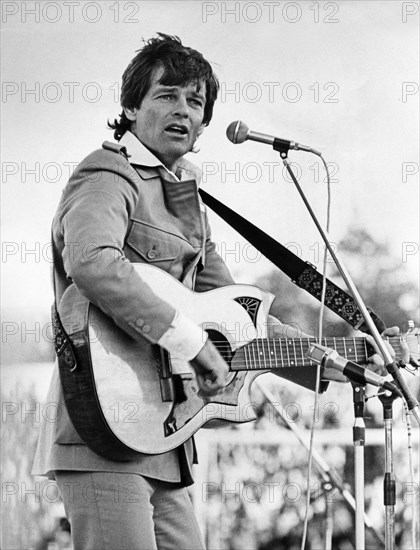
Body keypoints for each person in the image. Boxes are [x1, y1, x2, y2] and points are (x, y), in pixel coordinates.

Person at [33, 33, 403, 550]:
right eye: (167, 95)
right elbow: (93, 263)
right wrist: (189, 342)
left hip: (165, 442)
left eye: (195, 100)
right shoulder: (106, 173)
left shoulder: (186, 202)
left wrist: (347, 357)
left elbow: (239, 320)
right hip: (102, 436)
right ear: (132, 106)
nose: (183, 109)